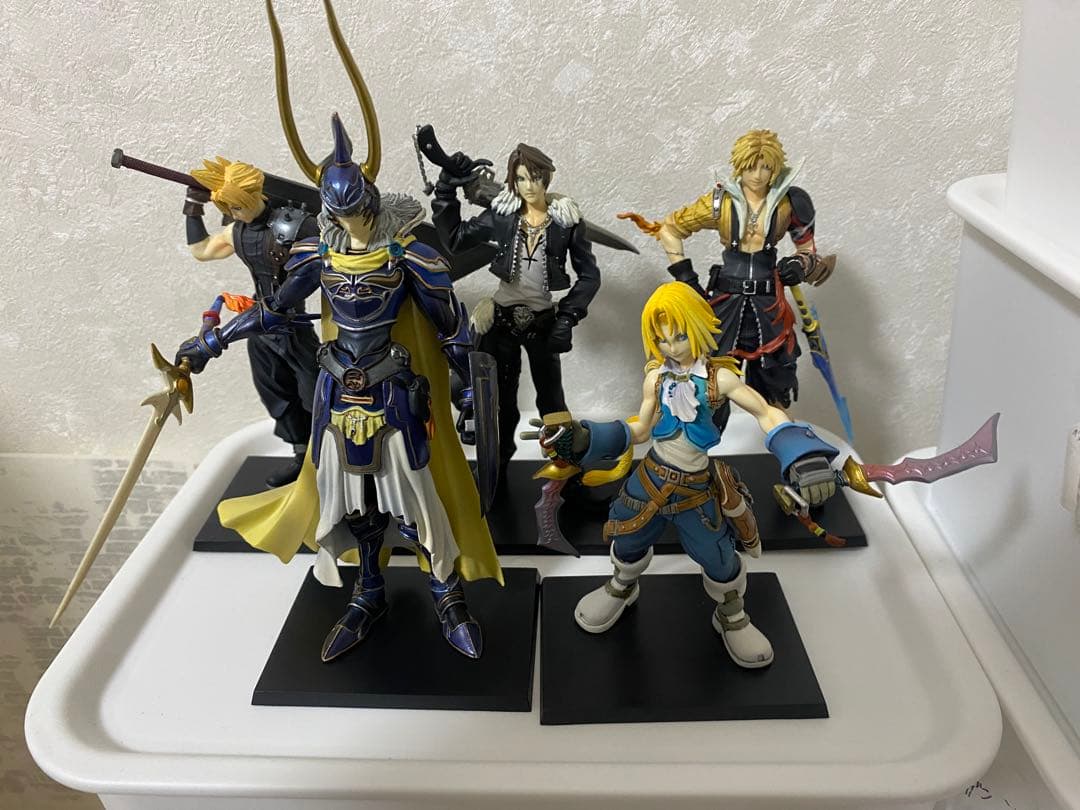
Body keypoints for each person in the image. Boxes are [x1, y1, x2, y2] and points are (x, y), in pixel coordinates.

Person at [177, 114, 501, 662]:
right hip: (335, 393)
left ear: (371, 203)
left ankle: (447, 595)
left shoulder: (410, 258)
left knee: (417, 503)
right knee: (353, 504)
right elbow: (275, 310)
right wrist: (213, 341)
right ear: (328, 211)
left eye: (357, 211)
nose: (351, 222)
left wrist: (467, 391)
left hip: (393, 393)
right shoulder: (317, 256)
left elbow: (450, 330)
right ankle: (367, 591)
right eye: (340, 213)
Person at [526, 282, 838, 668]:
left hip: (696, 488)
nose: (671, 347)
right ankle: (622, 586)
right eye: (661, 338)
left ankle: (731, 614)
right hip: (651, 478)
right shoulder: (656, 379)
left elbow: (765, 411)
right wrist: (585, 437)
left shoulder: (720, 380)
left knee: (717, 556)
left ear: (698, 327)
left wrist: (803, 455)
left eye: (679, 336)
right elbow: (640, 429)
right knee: (627, 537)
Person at [621, 130, 833, 410]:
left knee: (774, 382)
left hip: (770, 305)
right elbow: (670, 229)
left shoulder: (790, 202)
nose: (757, 175)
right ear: (739, 166)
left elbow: (808, 250)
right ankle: (705, 435)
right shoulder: (721, 202)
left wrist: (800, 264)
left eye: (765, 167)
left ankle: (781, 433)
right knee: (709, 383)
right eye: (751, 166)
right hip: (724, 302)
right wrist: (687, 279)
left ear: (775, 168)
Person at [431, 144, 600, 477]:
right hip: (502, 321)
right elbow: (455, 239)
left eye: (535, 177)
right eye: (521, 178)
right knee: (499, 401)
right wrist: (445, 190)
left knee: (552, 402)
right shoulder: (503, 215)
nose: (529, 185)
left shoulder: (566, 222)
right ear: (513, 181)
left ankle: (566, 468)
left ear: (547, 178)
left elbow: (590, 276)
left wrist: (568, 316)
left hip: (543, 322)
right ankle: (495, 465)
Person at [184, 157, 320, 486]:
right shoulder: (237, 231)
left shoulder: (297, 226)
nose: (233, 213)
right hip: (260, 329)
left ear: (254, 194)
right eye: (227, 208)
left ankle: (327, 459)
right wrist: (193, 208)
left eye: (236, 206)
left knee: (315, 393)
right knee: (276, 392)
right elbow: (202, 251)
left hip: (292, 324)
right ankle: (301, 457)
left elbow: (316, 273)